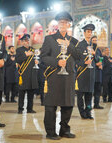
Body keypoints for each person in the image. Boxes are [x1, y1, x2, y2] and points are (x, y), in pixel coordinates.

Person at [40, 11, 81, 140]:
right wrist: (56, 62)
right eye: (61, 22)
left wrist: (69, 45)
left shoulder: (74, 41)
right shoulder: (49, 39)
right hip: (54, 77)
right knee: (51, 106)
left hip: (69, 77)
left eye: (66, 22)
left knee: (68, 105)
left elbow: (79, 57)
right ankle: (50, 132)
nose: (63, 24)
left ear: (69, 24)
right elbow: (43, 58)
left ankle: (64, 130)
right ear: (57, 24)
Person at [76, 24, 96, 119]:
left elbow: (96, 60)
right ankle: (82, 112)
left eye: (91, 32)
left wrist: (95, 55)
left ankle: (88, 112)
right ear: (84, 33)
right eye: (88, 32)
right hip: (82, 73)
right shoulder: (80, 45)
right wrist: (84, 62)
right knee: (80, 95)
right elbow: (76, 59)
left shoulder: (93, 46)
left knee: (89, 95)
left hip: (90, 74)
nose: (89, 33)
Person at [16, 34, 39, 114]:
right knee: (22, 93)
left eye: (28, 40)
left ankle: (30, 108)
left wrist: (37, 62)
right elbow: (18, 60)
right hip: (23, 74)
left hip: (32, 74)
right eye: (25, 40)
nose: (27, 42)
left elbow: (36, 59)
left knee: (31, 93)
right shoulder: (19, 50)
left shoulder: (33, 50)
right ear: (22, 42)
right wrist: (26, 55)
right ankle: (20, 109)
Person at [91, 36, 104, 109]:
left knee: (98, 90)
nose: (95, 42)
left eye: (96, 40)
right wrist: (95, 64)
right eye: (93, 40)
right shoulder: (89, 48)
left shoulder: (98, 50)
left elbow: (102, 59)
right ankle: (89, 105)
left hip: (99, 73)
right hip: (93, 72)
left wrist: (101, 64)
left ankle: (97, 104)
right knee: (91, 91)